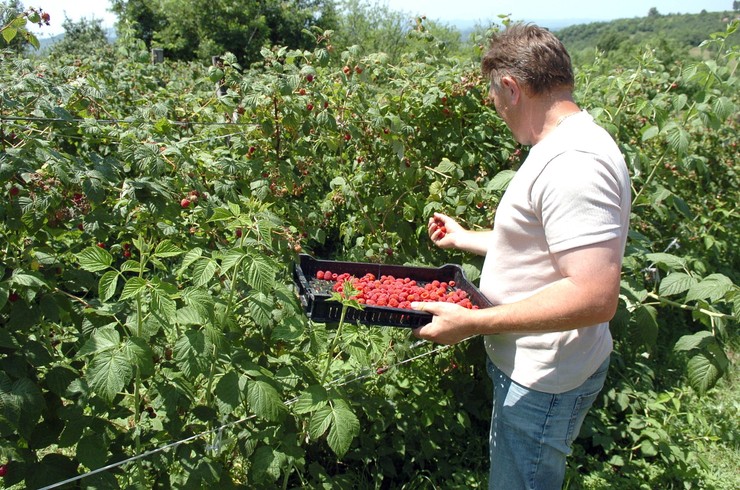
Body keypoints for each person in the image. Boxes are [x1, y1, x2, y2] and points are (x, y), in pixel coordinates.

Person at [410, 23, 631, 489]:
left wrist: (473, 323)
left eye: (493, 94)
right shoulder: (565, 144)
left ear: (511, 88)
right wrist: (467, 237)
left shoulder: (573, 164)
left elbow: (595, 296)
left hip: (543, 381)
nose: (494, 106)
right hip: (536, 365)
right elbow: (548, 245)